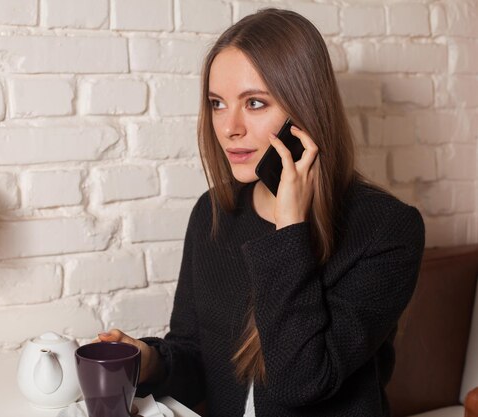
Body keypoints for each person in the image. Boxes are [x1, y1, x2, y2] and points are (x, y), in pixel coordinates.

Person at [96, 8, 425, 417]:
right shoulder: (213, 213)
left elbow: (300, 381)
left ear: (305, 111)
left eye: (254, 103)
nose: (229, 126)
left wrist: (290, 228)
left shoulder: (387, 230)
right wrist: (150, 360)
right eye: (217, 103)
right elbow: (197, 358)